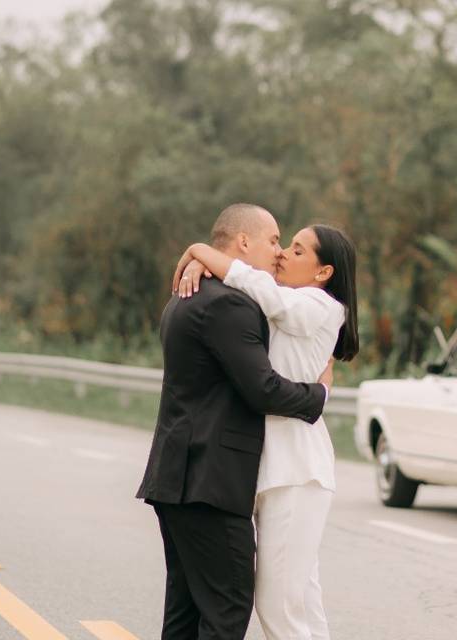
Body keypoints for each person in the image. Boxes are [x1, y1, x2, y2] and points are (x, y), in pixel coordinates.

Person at [136, 203, 334, 640]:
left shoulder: (190, 294)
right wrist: (317, 395)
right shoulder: (229, 304)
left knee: (186, 612)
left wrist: (199, 255)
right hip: (209, 482)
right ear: (244, 242)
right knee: (227, 610)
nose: (279, 252)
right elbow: (262, 388)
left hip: (179, 476)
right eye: (274, 240)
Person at [173, 221, 359, 640]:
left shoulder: (319, 305)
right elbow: (249, 294)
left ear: (323, 272)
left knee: (278, 606)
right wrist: (204, 266)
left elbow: (259, 287)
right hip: (274, 468)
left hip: (297, 471)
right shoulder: (284, 305)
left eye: (295, 250)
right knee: (302, 603)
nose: (281, 255)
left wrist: (199, 248)